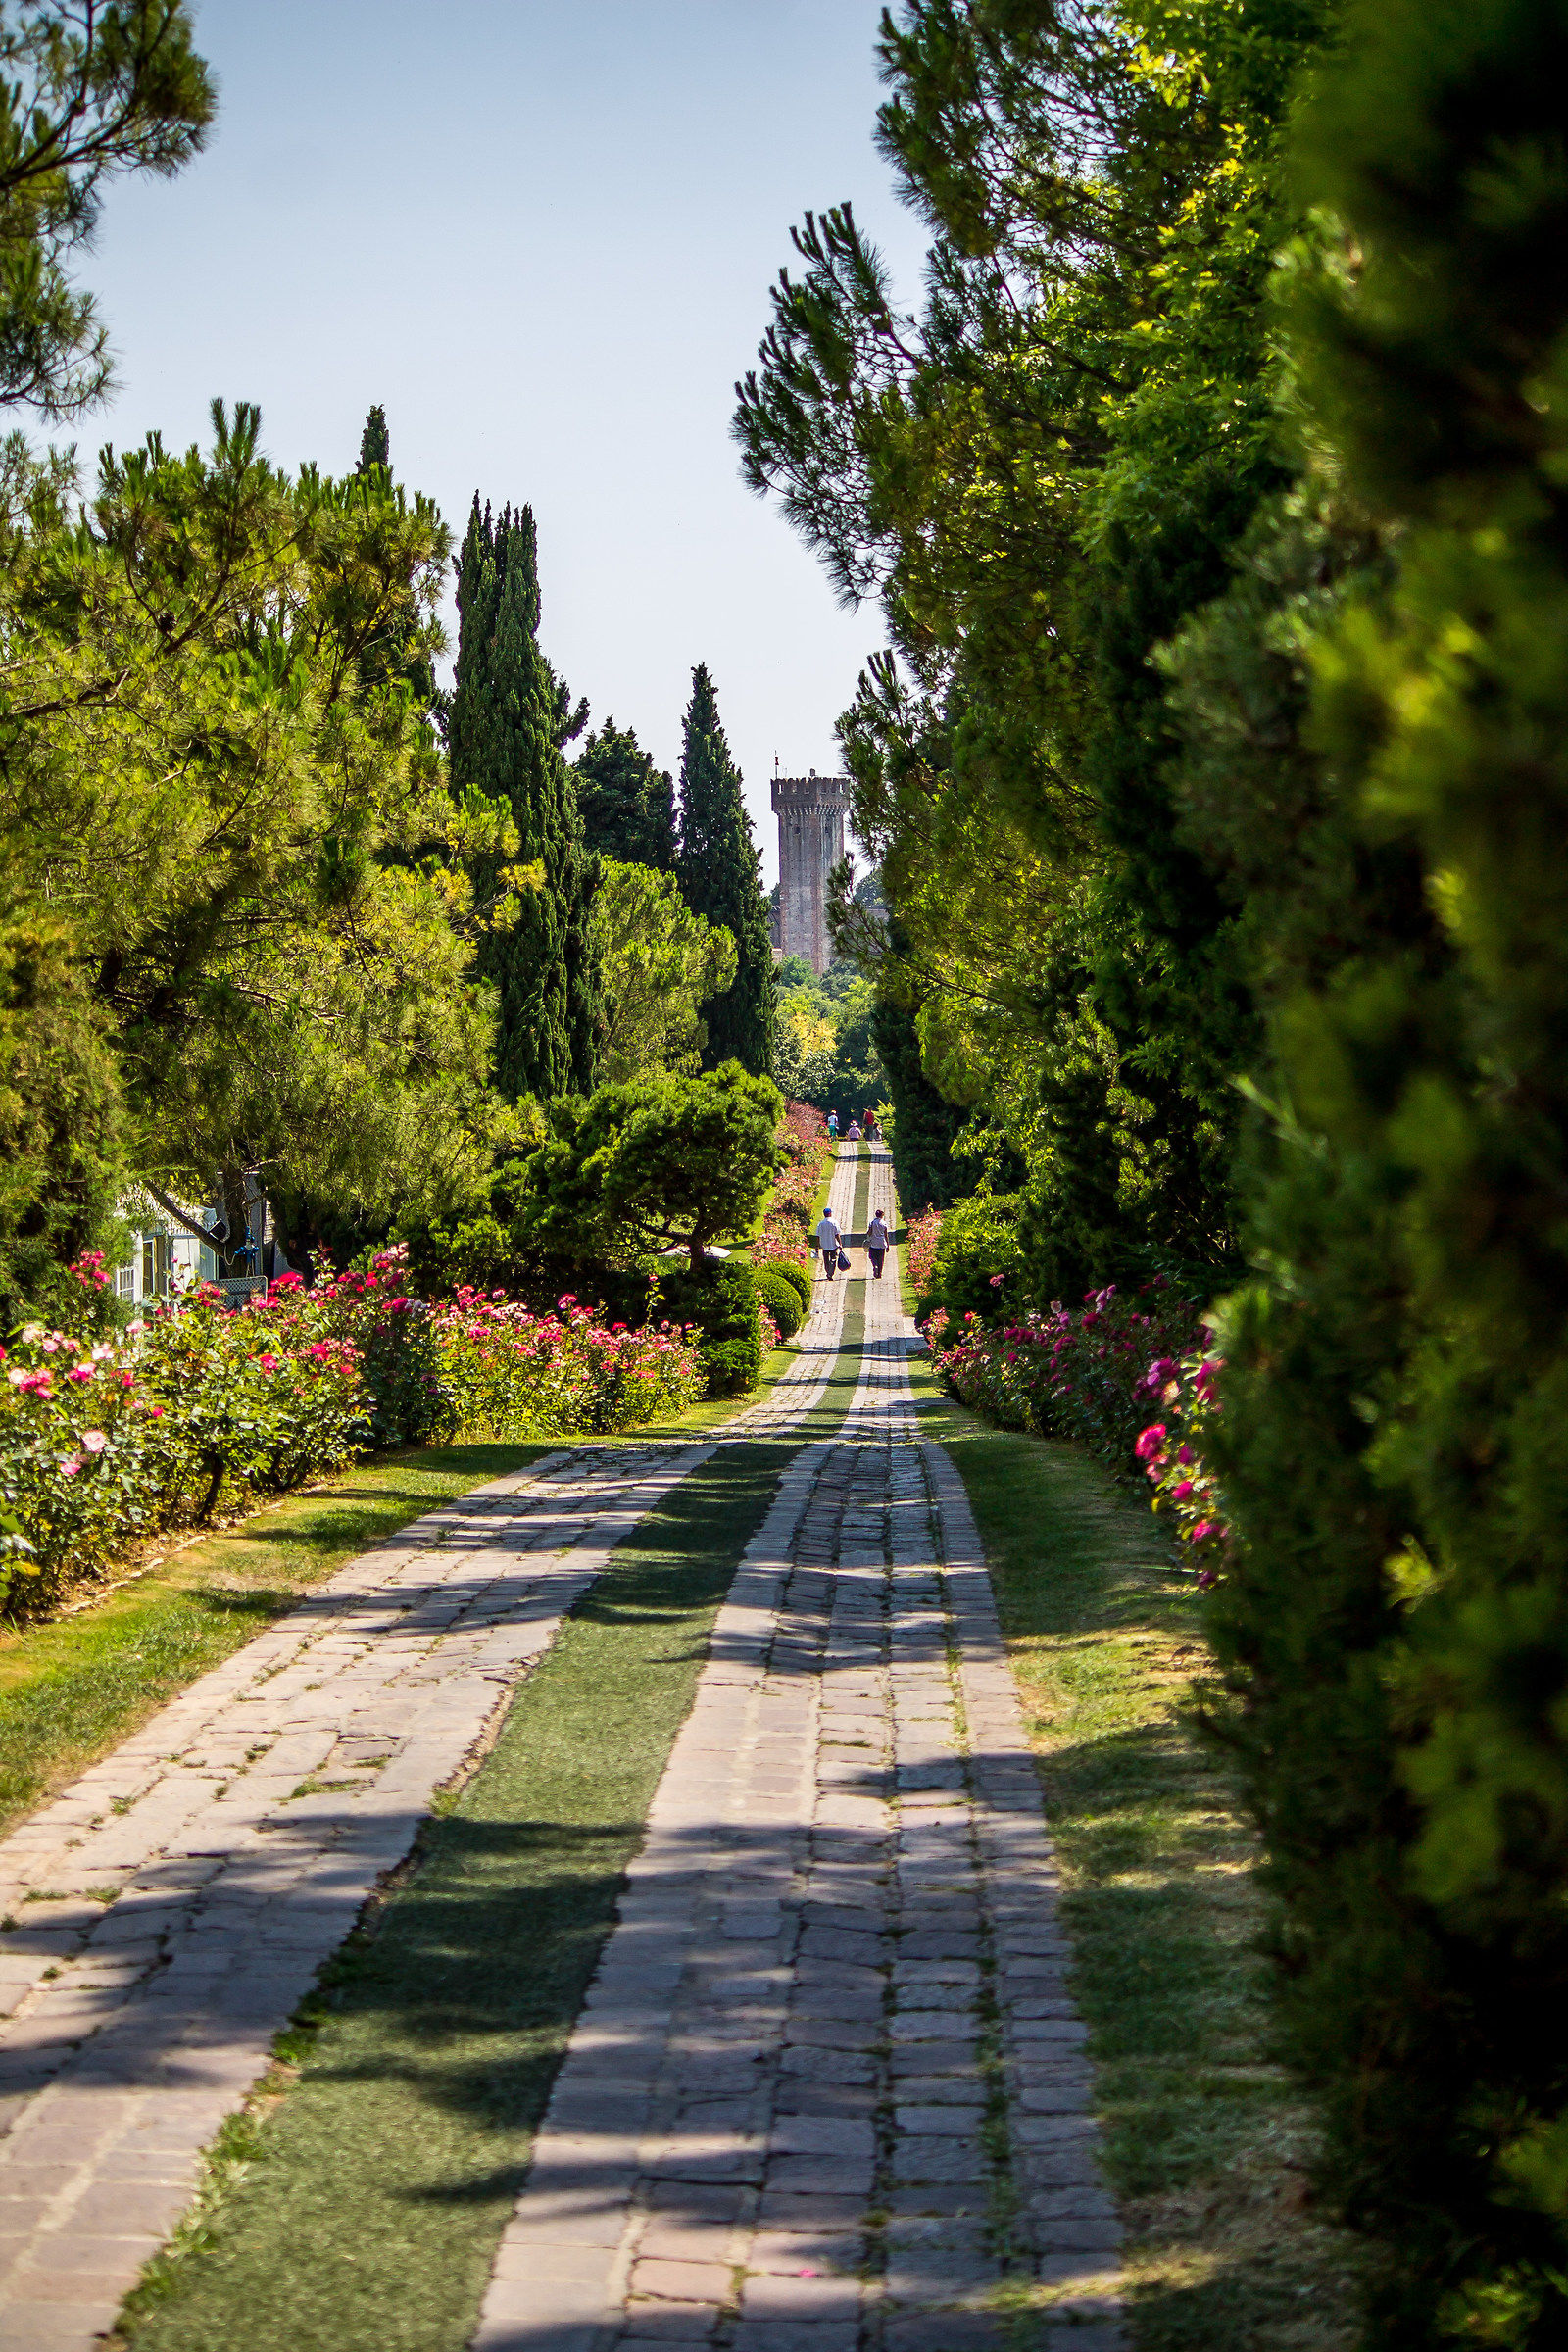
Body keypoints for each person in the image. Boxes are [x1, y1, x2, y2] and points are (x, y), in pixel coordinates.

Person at [814, 1202, 843, 1280]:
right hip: (833, 1244)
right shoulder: (834, 1222)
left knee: (826, 1260)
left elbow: (818, 1236)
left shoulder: (820, 1224)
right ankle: (830, 1273)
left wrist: (817, 1246)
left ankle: (828, 1272)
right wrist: (840, 1244)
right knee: (833, 1259)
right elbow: (837, 1234)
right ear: (830, 1214)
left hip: (824, 1245)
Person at [866, 1207, 890, 1280]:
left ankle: (875, 1265)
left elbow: (869, 1233)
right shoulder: (884, 1223)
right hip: (882, 1243)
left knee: (872, 1256)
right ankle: (879, 1273)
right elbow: (886, 1235)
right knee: (881, 1258)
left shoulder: (872, 1222)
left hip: (874, 1243)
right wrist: (887, 1245)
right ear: (881, 1216)